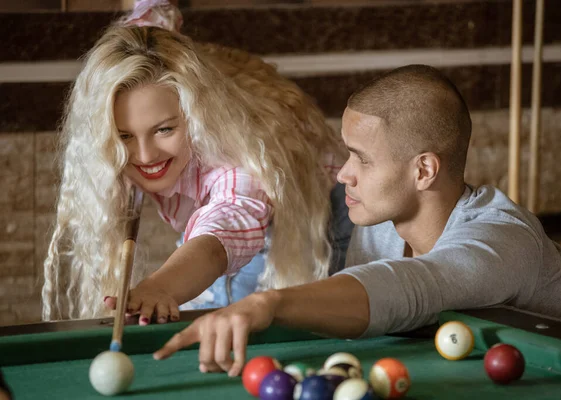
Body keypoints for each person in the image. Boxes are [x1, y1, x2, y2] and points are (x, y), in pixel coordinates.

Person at [152, 64, 561, 377]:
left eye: (361, 159)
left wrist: (267, 303)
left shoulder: (503, 238)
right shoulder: (376, 224)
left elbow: (417, 285)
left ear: (423, 170)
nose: (344, 173)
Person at [41, 0, 352, 323]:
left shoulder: (238, 160)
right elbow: (151, 22)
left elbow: (221, 233)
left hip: (320, 213)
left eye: (164, 130)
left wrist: (161, 286)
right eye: (125, 136)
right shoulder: (124, 123)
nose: (145, 156)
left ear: (196, 117)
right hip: (235, 219)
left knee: (256, 325)